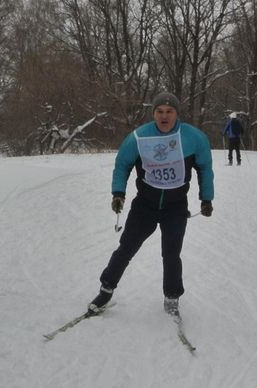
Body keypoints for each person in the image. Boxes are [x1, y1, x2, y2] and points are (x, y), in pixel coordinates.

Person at [88, 92, 214, 317]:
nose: (164, 116)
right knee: (126, 248)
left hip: (175, 206)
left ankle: (172, 297)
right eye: (159, 111)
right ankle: (105, 290)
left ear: (177, 113)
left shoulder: (193, 138)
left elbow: (204, 167)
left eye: (169, 111)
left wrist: (206, 198)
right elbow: (122, 164)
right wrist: (118, 193)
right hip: (145, 205)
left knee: (171, 253)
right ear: (154, 113)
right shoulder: (139, 137)